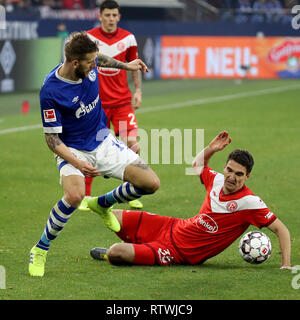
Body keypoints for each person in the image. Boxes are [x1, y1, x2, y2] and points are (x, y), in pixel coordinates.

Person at [29, 31, 160, 277]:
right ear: (75, 62)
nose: (95, 65)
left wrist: (126, 65)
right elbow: (52, 140)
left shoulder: (90, 63)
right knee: (75, 196)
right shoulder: (51, 91)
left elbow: (103, 60)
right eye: (90, 62)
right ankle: (40, 248)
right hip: (73, 148)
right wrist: (78, 162)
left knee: (150, 183)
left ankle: (102, 204)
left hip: (102, 140)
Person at [90, 131, 293, 270]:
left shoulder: (250, 203)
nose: (232, 177)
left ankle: (119, 253)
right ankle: (139, 247)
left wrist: (285, 265)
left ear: (247, 176)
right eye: (229, 170)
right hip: (172, 226)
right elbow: (197, 164)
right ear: (225, 168)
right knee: (115, 215)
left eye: (239, 174)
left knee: (117, 252)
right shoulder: (216, 180)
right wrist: (211, 148)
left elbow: (281, 230)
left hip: (177, 252)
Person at [79, 0, 144, 211]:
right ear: (100, 16)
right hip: (96, 105)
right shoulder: (88, 38)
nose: (111, 19)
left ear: (119, 16)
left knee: (132, 143)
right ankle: (85, 196)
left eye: (114, 15)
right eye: (107, 15)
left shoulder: (128, 38)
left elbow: (134, 66)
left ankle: (129, 191)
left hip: (122, 103)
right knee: (90, 148)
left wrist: (138, 91)